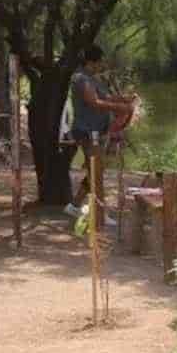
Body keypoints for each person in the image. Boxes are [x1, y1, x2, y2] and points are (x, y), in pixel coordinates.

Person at [65, 45, 133, 223]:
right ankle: (100, 215)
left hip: (97, 130)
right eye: (100, 61)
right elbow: (94, 102)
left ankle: (74, 205)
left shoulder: (94, 79)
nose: (101, 64)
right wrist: (120, 108)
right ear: (91, 61)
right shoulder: (81, 79)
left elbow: (107, 98)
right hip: (87, 131)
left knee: (97, 170)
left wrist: (125, 99)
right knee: (97, 171)